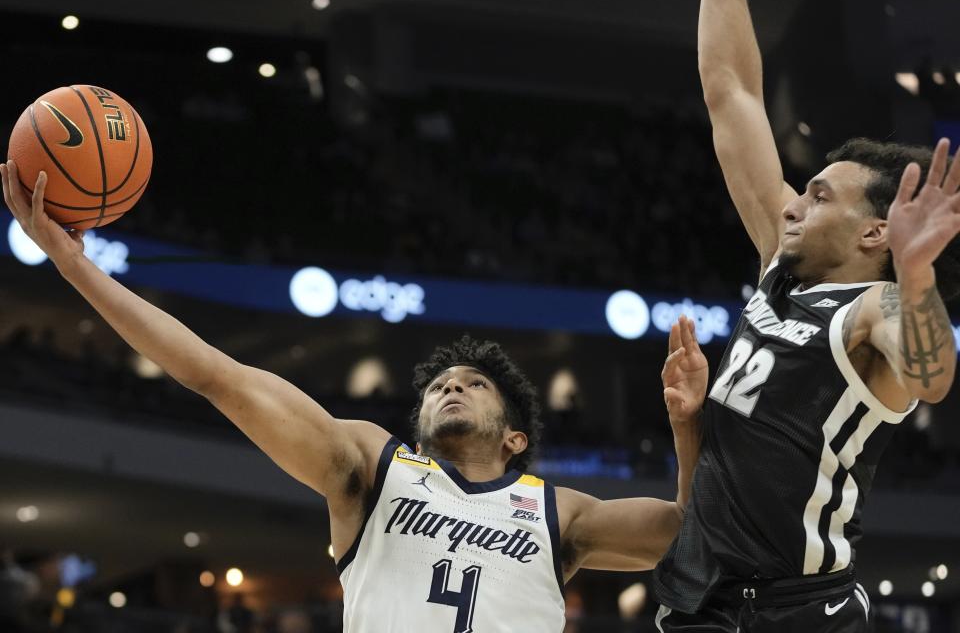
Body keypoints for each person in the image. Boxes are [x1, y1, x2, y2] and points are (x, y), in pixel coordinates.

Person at [1, 160, 707, 632]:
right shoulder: (375, 467)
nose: (450, 386)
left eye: (473, 383)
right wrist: (74, 269)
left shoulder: (563, 513)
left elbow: (700, 536)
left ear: (515, 437)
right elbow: (218, 375)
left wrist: (686, 428)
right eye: (437, 386)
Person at [651, 0, 960, 632]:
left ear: (876, 233)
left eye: (818, 196)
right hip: (704, 597)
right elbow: (729, 89)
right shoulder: (778, 263)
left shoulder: (876, 308)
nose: (792, 204)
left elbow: (932, 377)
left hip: (801, 611)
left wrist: (918, 269)